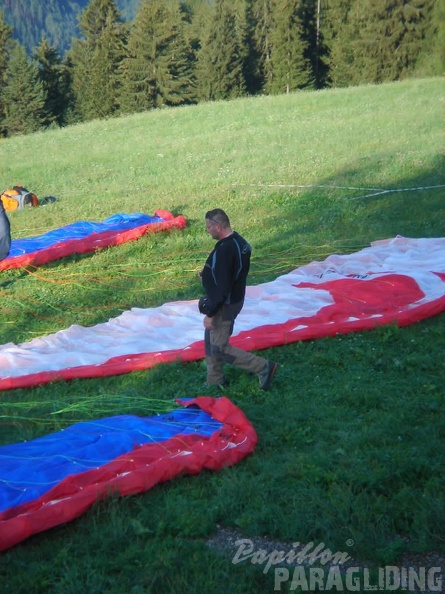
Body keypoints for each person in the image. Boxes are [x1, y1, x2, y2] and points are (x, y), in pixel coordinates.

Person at [198, 208, 277, 391]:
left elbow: (224, 286)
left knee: (219, 347)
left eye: (208, 227)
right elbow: (232, 273)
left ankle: (263, 367)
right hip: (234, 299)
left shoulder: (225, 249)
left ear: (218, 226)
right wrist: (208, 274)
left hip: (224, 304)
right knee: (211, 339)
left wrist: (210, 312)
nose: (208, 231)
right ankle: (214, 379)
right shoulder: (240, 242)